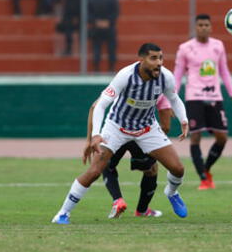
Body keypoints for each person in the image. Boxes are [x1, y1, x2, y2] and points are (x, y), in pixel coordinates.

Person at [51, 43, 190, 224]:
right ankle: (63, 213)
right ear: (141, 60)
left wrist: (184, 120)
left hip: (147, 128)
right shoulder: (125, 76)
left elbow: (174, 99)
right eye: (153, 58)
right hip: (117, 126)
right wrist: (95, 134)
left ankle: (171, 193)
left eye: (161, 58)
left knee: (178, 168)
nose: (159, 63)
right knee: (94, 171)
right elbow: (100, 104)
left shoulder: (166, 77)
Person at [174, 14, 232, 190]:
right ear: (195, 27)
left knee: (222, 137)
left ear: (211, 27)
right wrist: (171, 100)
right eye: (200, 25)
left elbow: (224, 72)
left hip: (215, 97)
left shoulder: (218, 45)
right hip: (194, 97)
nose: (203, 28)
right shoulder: (185, 48)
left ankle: (206, 168)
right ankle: (204, 178)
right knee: (195, 136)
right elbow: (178, 75)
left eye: (206, 25)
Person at [84, 95, 173, 218]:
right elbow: (166, 126)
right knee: (151, 170)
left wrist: (90, 140)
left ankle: (117, 200)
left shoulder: (119, 86)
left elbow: (94, 107)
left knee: (106, 165)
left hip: (116, 132)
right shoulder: (155, 87)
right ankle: (142, 210)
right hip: (139, 133)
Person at [89, 0, 119, 72]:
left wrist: (96, 21)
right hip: (109, 26)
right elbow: (116, 12)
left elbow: (88, 13)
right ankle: (111, 68)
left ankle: (96, 68)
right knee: (111, 48)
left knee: (96, 47)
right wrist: (108, 21)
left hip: (96, 27)